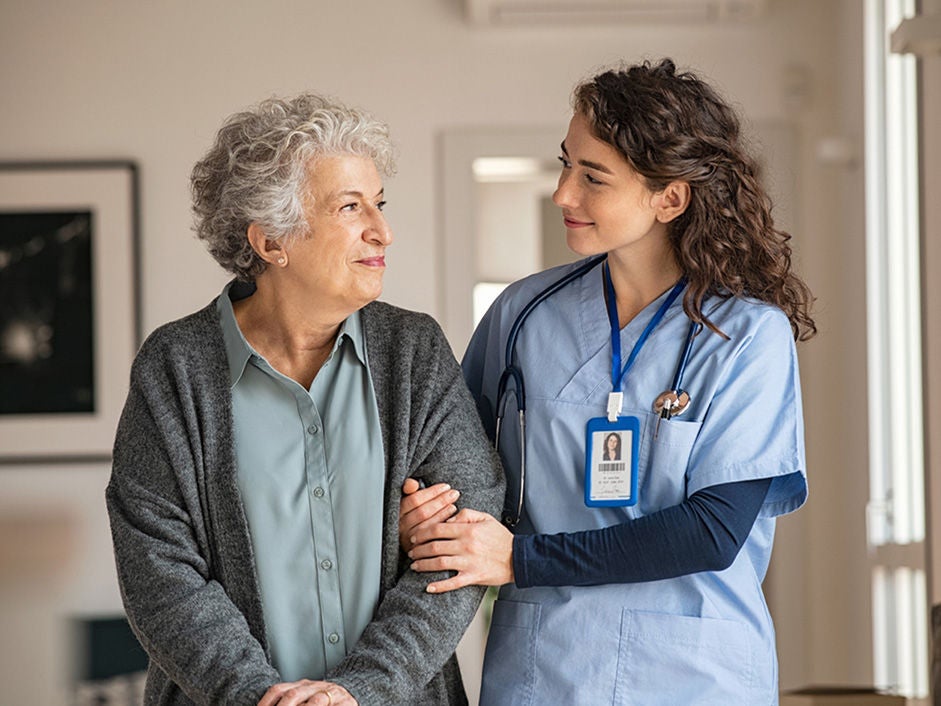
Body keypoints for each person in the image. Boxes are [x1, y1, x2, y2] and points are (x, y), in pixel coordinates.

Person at [400, 58, 814, 705]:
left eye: (592, 177)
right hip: (543, 671)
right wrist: (422, 512)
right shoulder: (521, 315)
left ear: (668, 198)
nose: (563, 193)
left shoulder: (746, 336)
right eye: (565, 164)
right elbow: (451, 469)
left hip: (693, 679)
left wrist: (520, 559)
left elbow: (711, 530)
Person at [106, 93, 504, 706]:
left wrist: (360, 691)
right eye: (351, 206)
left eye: (379, 202)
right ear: (270, 242)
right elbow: (159, 572)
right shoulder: (175, 368)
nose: (382, 230)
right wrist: (258, 695)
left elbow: (463, 540)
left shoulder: (413, 351)